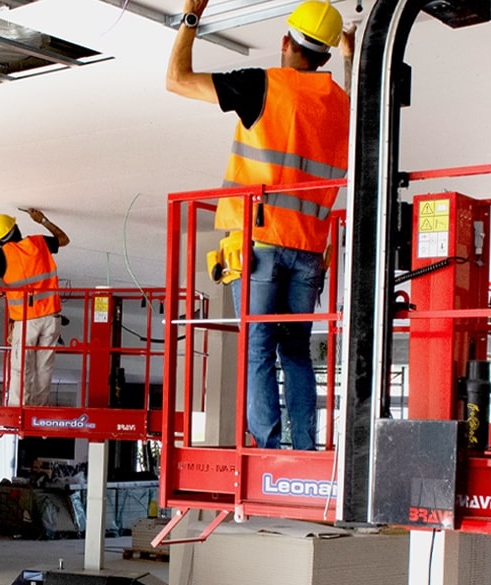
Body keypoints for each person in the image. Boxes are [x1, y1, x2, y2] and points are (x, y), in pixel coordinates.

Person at [166, 0, 351, 449]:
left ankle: (268, 451)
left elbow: (177, 80)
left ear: (285, 41)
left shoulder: (262, 86)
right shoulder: (343, 105)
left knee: (258, 349)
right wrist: (351, 55)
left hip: (259, 245)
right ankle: (304, 448)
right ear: (325, 56)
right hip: (309, 249)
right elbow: (361, 91)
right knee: (296, 353)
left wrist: (191, 16)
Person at [0, 209, 71, 407]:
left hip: (26, 321)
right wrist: (42, 220)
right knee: (44, 367)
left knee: (21, 367)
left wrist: (2, 292)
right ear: (16, 229)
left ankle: (18, 411)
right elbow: (64, 239)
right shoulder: (39, 242)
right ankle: (39, 411)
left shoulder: (2, 255)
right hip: (51, 317)